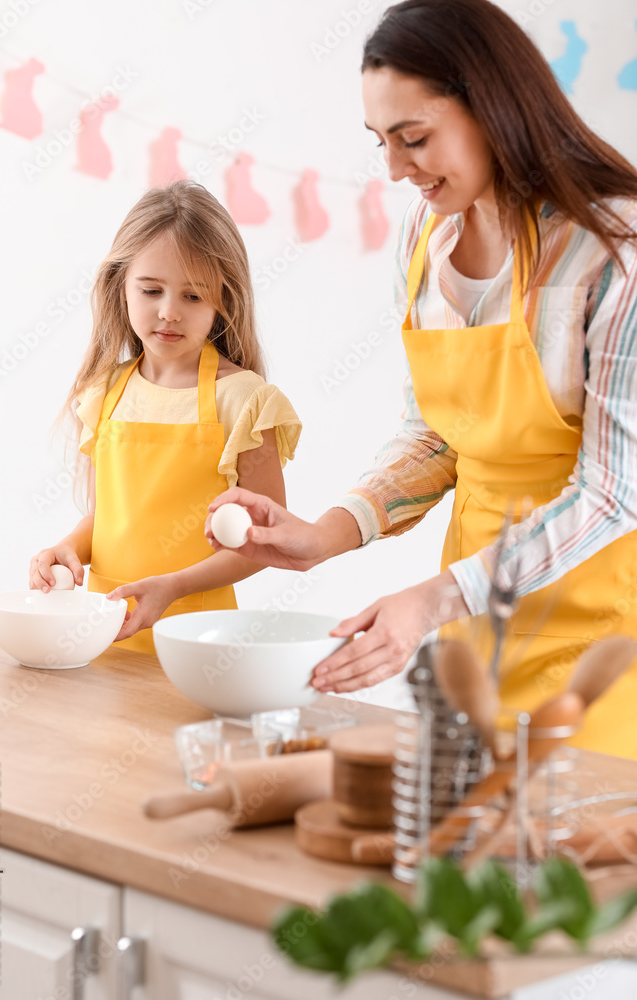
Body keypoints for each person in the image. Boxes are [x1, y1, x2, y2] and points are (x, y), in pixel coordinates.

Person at [206, 0, 637, 757]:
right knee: (466, 859)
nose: (395, 170)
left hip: (600, 636)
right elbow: (437, 431)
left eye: (414, 138)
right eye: (380, 142)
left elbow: (612, 492)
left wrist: (435, 598)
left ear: (495, 108)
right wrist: (326, 534)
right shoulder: (424, 237)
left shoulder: (611, 250)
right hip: (472, 627)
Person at [29, 181, 301, 652]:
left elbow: (267, 540)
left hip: (200, 641)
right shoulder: (105, 393)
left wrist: (171, 588)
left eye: (193, 297)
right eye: (151, 290)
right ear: (121, 287)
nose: (169, 312)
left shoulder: (244, 401)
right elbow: (112, 516)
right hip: (104, 632)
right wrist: (71, 547)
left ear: (223, 300)